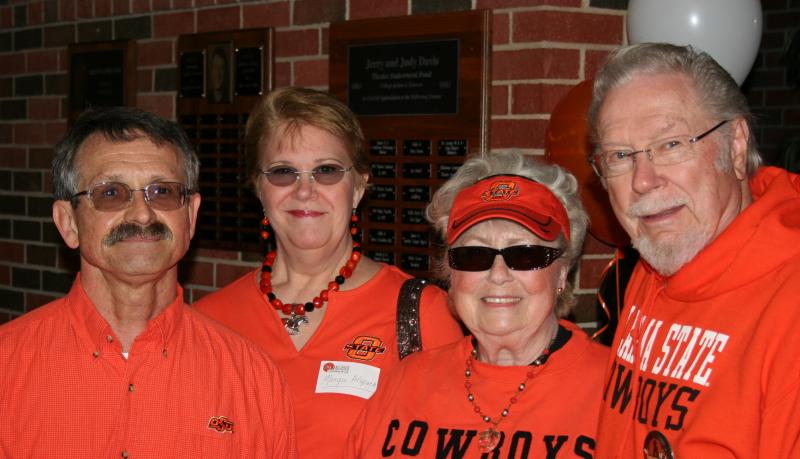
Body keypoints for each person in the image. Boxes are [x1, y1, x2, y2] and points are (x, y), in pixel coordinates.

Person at [0, 107, 297, 457]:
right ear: (68, 223)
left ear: (190, 215)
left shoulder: (253, 379)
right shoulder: (8, 369)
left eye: (162, 192)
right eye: (111, 193)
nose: (142, 213)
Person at [193, 86, 464, 457]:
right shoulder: (207, 322)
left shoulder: (423, 315)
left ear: (358, 187)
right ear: (258, 187)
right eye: (283, 172)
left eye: (327, 171)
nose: (305, 191)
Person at [588, 43, 800, 458]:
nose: (643, 181)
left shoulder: (790, 305)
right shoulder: (659, 255)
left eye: (670, 145)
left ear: (736, 145)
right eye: (620, 155)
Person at [345, 150, 610, 458]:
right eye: (475, 255)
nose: (498, 275)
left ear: (562, 272)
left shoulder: (614, 391)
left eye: (524, 254)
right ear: (451, 274)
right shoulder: (406, 382)